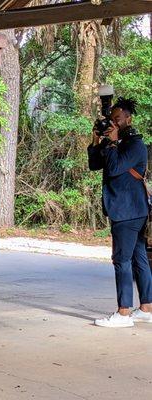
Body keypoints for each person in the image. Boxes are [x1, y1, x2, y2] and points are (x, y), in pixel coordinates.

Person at [88, 97, 152, 327]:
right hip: (128, 209)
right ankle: (146, 308)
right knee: (138, 256)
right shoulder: (116, 143)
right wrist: (97, 140)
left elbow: (114, 169)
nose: (112, 123)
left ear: (128, 118)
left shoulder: (134, 145)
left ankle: (123, 314)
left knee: (121, 260)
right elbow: (95, 165)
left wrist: (113, 142)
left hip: (128, 210)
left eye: (116, 119)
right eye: (110, 120)